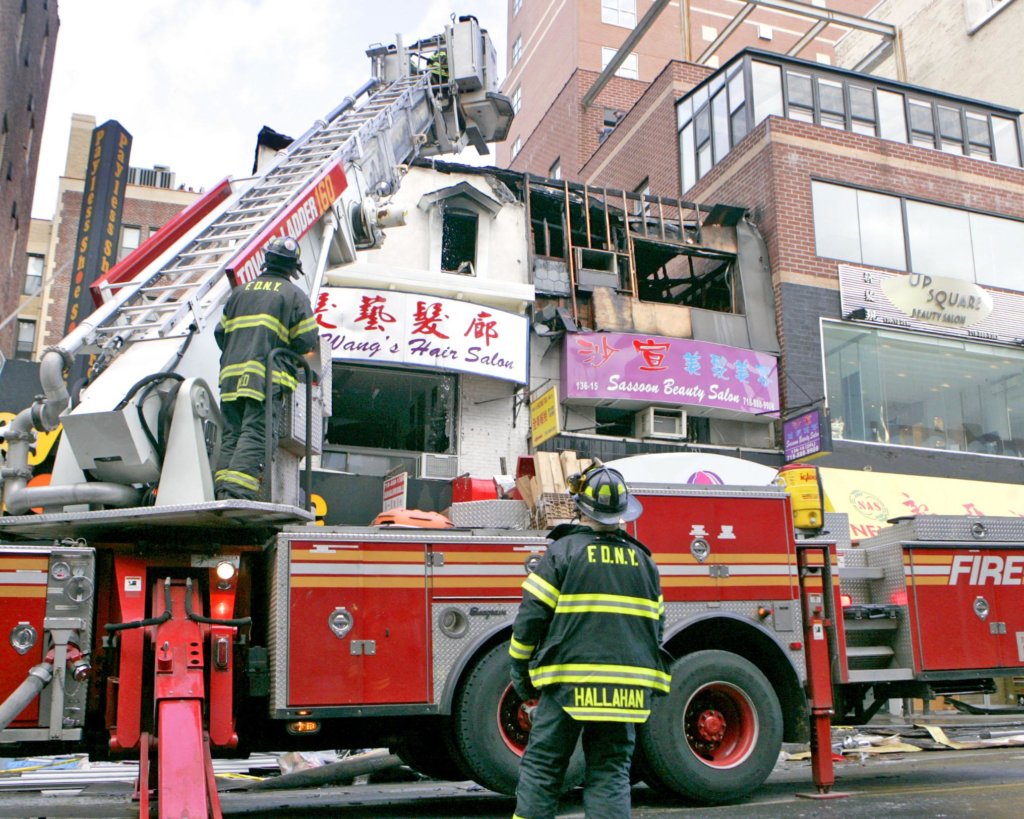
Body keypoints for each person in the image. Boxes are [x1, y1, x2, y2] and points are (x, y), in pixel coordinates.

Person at [509, 462, 670, 819]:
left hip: (567, 687)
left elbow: (530, 621)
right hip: (626, 689)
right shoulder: (646, 562)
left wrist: (521, 674)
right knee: (610, 773)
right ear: (623, 513)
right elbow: (657, 629)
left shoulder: (563, 552)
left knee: (544, 768)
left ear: (581, 508)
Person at [213, 235, 318, 500]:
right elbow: (306, 340)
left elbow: (220, 333)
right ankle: (238, 494)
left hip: (229, 378)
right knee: (256, 432)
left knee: (232, 435)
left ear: (267, 260)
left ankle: (223, 491)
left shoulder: (239, 293)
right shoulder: (294, 295)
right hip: (263, 378)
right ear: (293, 267)